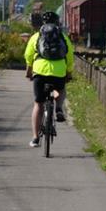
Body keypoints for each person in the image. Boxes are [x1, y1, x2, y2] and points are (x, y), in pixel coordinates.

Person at [24, 11, 74, 148]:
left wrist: (29, 71)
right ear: (57, 23)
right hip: (58, 72)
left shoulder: (36, 36)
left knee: (38, 104)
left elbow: (28, 55)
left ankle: (35, 138)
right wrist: (68, 72)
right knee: (61, 90)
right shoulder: (63, 37)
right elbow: (70, 57)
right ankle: (58, 108)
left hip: (40, 71)